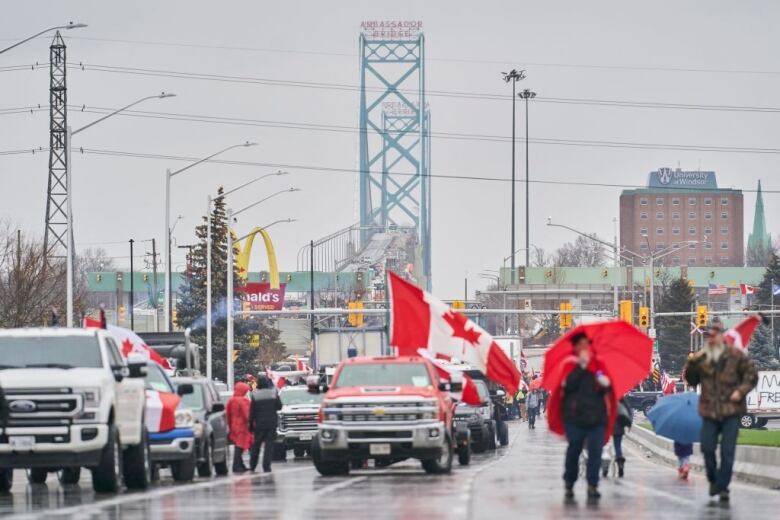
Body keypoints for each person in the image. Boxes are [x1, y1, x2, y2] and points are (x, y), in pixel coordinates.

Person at [684, 322, 758, 503]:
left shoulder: (735, 356)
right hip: (709, 411)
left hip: (730, 410)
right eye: (708, 336)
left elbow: (751, 376)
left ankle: (723, 486)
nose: (711, 339)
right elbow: (692, 380)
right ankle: (713, 480)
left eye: (714, 336)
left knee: (727, 451)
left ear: (722, 337)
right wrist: (692, 363)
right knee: (707, 448)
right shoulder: (702, 358)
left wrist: (740, 391)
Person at [561, 332, 611, 500]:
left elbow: (607, 388)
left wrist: (603, 381)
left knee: (595, 452)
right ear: (575, 347)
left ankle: (592, 484)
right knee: (574, 450)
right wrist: (581, 367)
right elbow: (567, 386)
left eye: (586, 344)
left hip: (596, 417)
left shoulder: (598, 364)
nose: (584, 348)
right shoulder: (569, 365)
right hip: (575, 418)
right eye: (581, 344)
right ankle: (570, 481)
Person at [248, 374, 283, 473]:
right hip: (271, 424)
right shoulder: (273, 393)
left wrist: (250, 425)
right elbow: (279, 407)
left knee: (256, 446)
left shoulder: (254, 395)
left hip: (259, 424)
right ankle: (266, 466)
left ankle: (252, 465)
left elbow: (252, 412)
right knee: (269, 446)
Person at [225, 382, 253, 473]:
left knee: (238, 445)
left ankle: (240, 465)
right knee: (241, 446)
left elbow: (227, 414)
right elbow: (248, 415)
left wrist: (229, 425)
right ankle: (236, 466)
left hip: (234, 425)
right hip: (242, 426)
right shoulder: (244, 401)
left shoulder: (231, 400)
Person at [612, 398, 632, 477]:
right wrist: (629, 423)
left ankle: (604, 464)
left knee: (602, 447)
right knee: (618, 446)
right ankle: (619, 458)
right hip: (618, 425)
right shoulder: (620, 397)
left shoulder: (602, 393)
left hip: (604, 425)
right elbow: (628, 410)